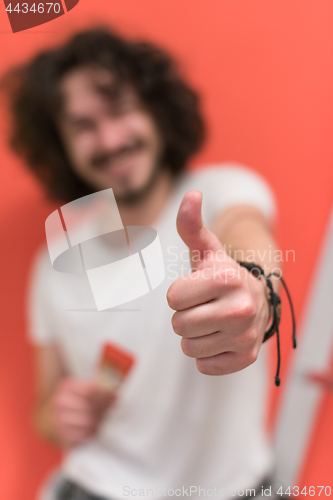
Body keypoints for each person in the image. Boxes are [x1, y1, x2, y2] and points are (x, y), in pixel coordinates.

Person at [5, 28, 285, 500]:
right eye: (83, 126)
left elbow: (248, 235)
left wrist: (254, 292)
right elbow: (46, 410)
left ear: (156, 112)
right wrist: (62, 416)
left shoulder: (219, 193)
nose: (110, 139)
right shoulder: (56, 255)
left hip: (235, 489)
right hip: (99, 487)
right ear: (62, 144)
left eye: (120, 111)